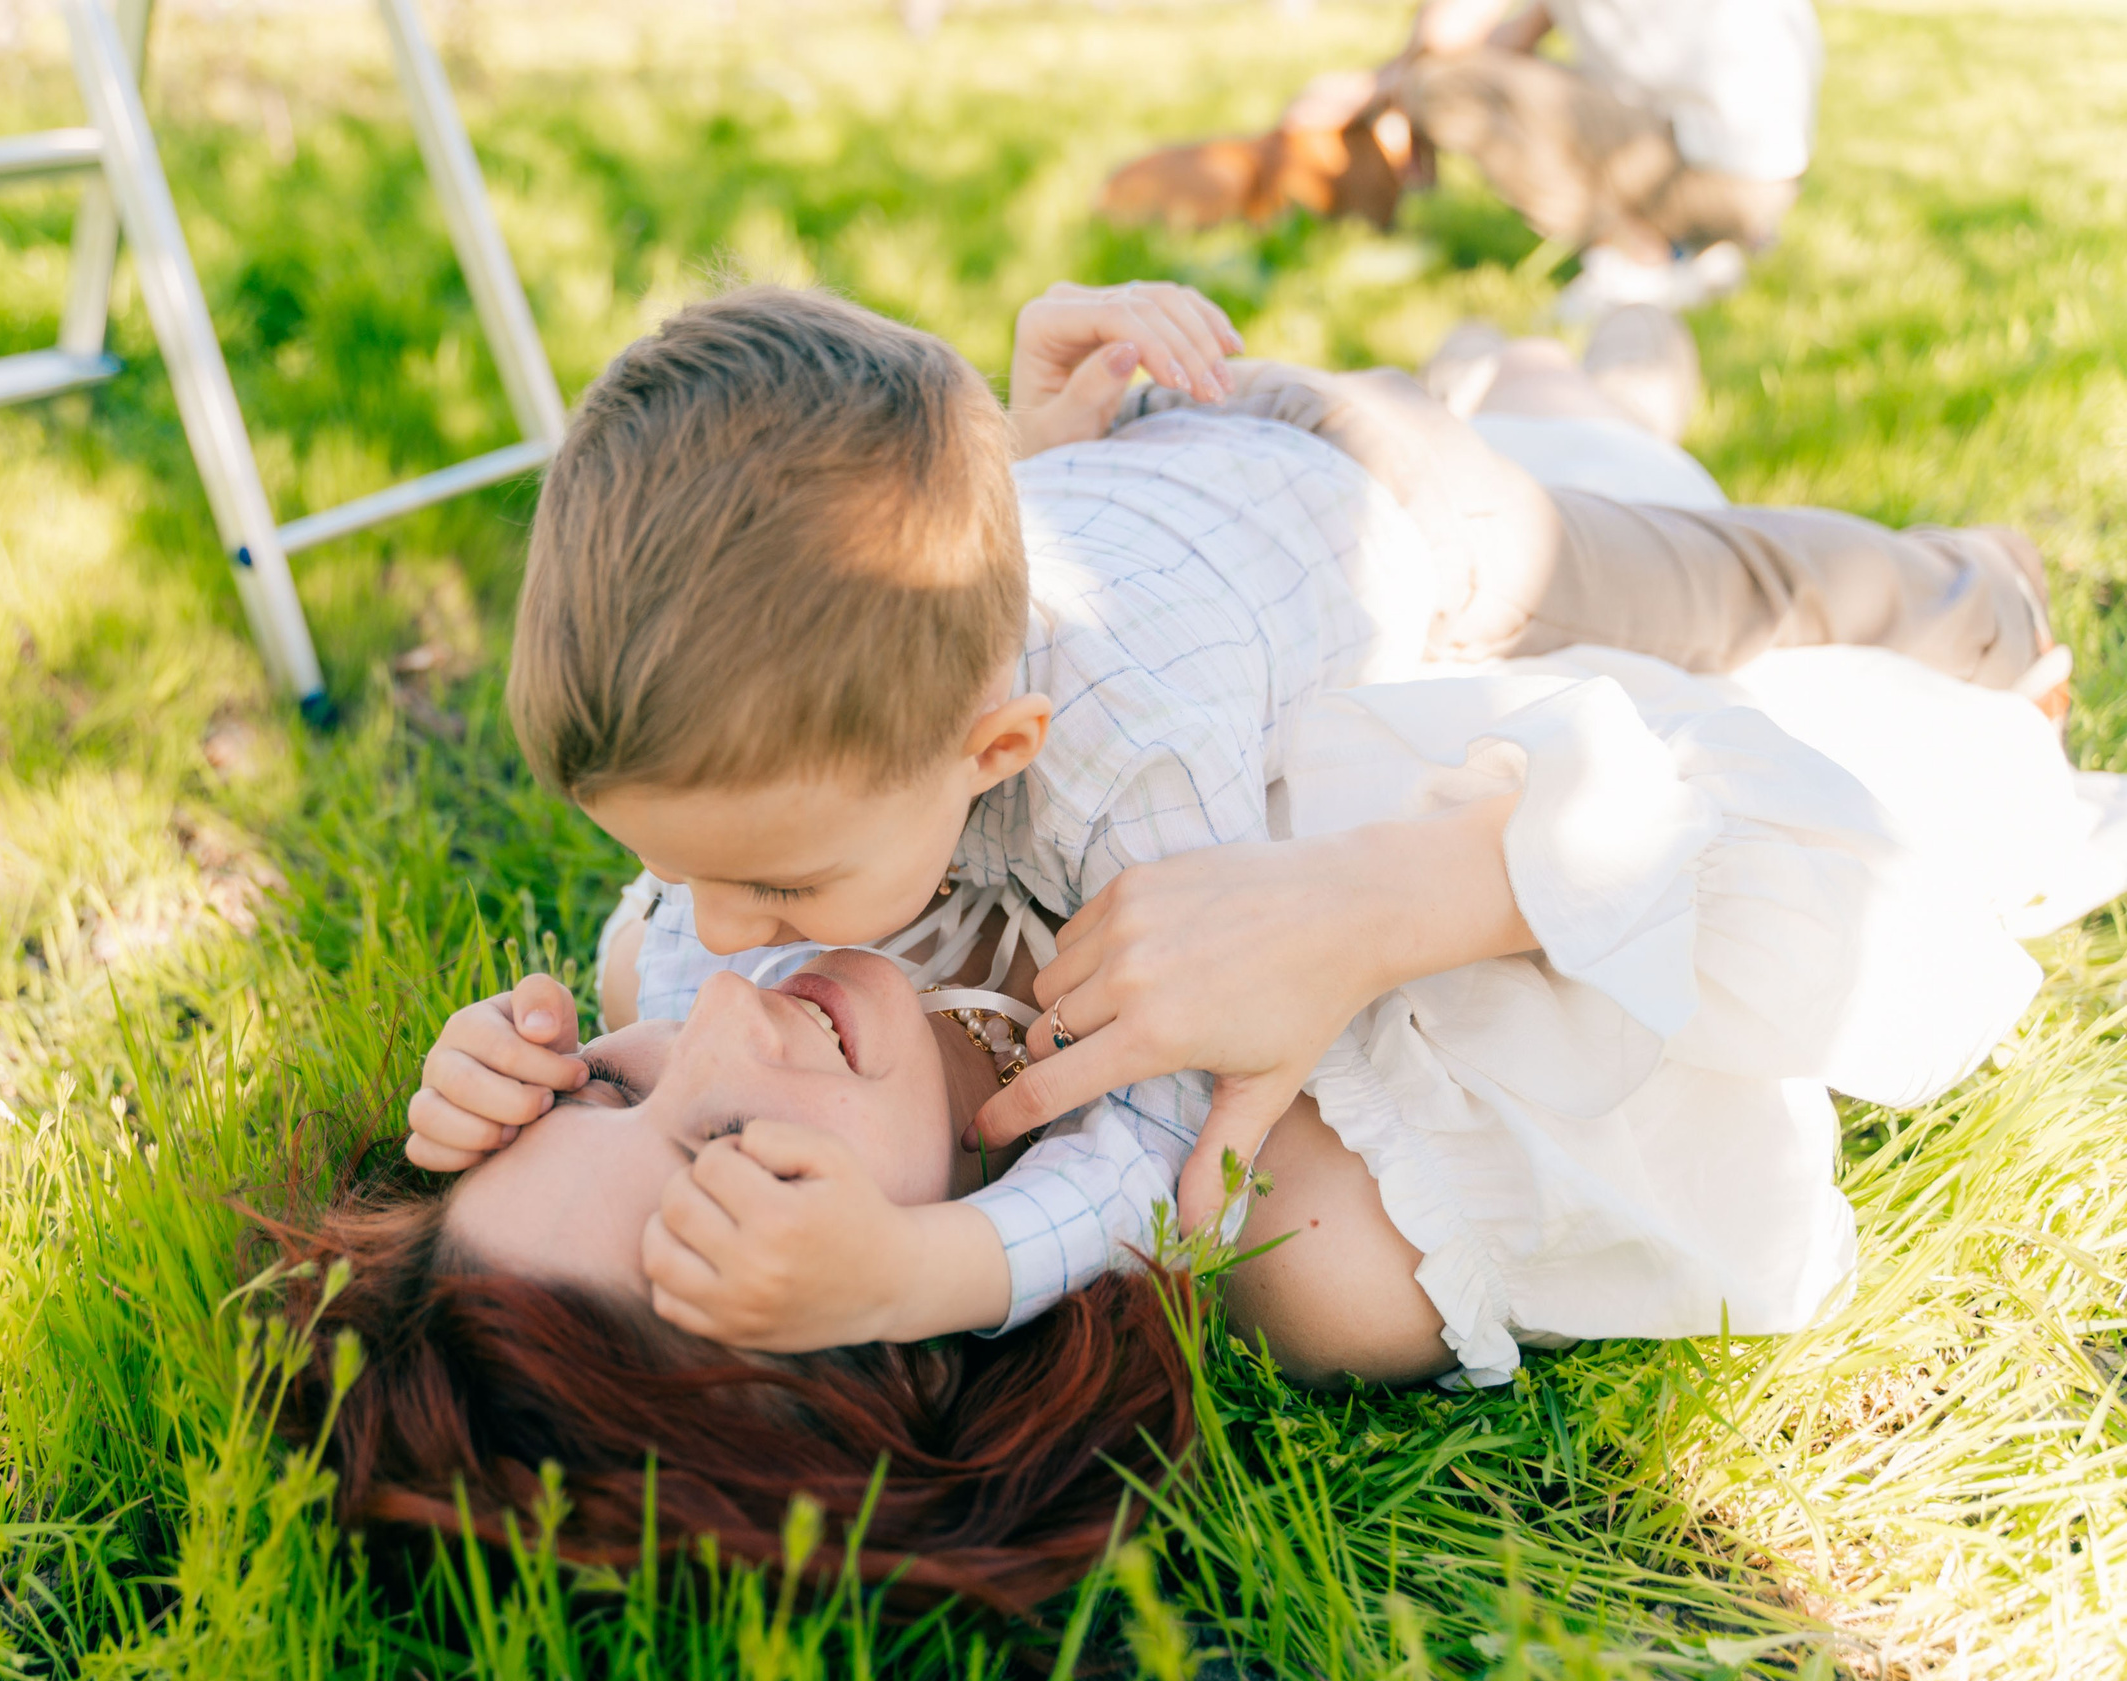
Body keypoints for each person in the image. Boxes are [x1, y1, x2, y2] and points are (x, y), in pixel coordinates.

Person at [412, 278, 2069, 1356]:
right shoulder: (823, 777)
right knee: (1582, 426)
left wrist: (933, 1273)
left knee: (1739, 587)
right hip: (1142, 493)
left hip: (1397, 515)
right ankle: (1556, 352)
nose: (721, 949)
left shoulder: (1132, 769)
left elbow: (1159, 1114)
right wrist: (548, 1072)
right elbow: (699, 966)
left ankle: (1973, 588)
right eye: (669, 876)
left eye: (773, 886)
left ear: (996, 748)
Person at [1337, 0, 1825, 316]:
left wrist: (1375, 90)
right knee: (1496, 79)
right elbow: (1516, 38)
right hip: (1771, 176)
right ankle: (1701, 245)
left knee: (1442, 87)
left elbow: (1448, 31)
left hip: (1711, 168)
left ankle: (1638, 257)